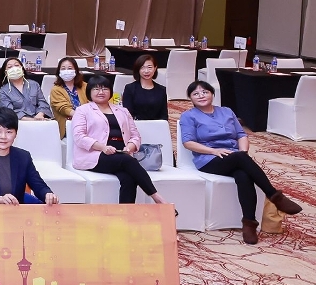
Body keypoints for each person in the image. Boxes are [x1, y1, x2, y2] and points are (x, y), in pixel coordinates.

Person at [181, 79, 301, 244]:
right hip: (209, 159)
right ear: (190, 98)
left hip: (235, 157)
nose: (201, 95)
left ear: (212, 94)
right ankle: (274, 195)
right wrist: (214, 151)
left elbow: (241, 135)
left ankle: (249, 223)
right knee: (240, 159)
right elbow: (188, 142)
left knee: (243, 175)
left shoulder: (226, 111)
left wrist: (243, 153)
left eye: (205, 92)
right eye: (196, 94)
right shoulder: (188, 116)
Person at [70, 75, 170, 205]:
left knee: (129, 178)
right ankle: (157, 197)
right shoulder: (82, 111)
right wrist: (103, 147)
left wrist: (130, 147)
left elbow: (135, 135)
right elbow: (79, 137)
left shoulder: (122, 111)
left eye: (105, 88)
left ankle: (126, 214)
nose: (101, 92)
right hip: (95, 155)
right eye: (96, 89)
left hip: (121, 155)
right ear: (89, 92)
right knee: (127, 160)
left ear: (110, 91)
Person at [0, 108, 60, 205]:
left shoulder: (23, 157)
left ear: (16, 134)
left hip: (14, 211)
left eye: (9, 132)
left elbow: (39, 186)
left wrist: (47, 194)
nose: (3, 136)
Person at [49, 57, 88, 138]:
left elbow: (92, 103)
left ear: (76, 70)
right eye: (63, 69)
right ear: (59, 72)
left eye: (70, 68)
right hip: (68, 126)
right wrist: (81, 116)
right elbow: (63, 108)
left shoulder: (85, 86)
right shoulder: (56, 89)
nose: (66, 71)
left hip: (88, 124)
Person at [122, 54, 168, 121]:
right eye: (142, 67)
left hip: (156, 125)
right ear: (138, 70)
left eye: (149, 67)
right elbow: (128, 114)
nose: (146, 71)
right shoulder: (130, 88)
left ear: (155, 68)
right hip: (136, 125)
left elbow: (164, 115)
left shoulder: (162, 90)